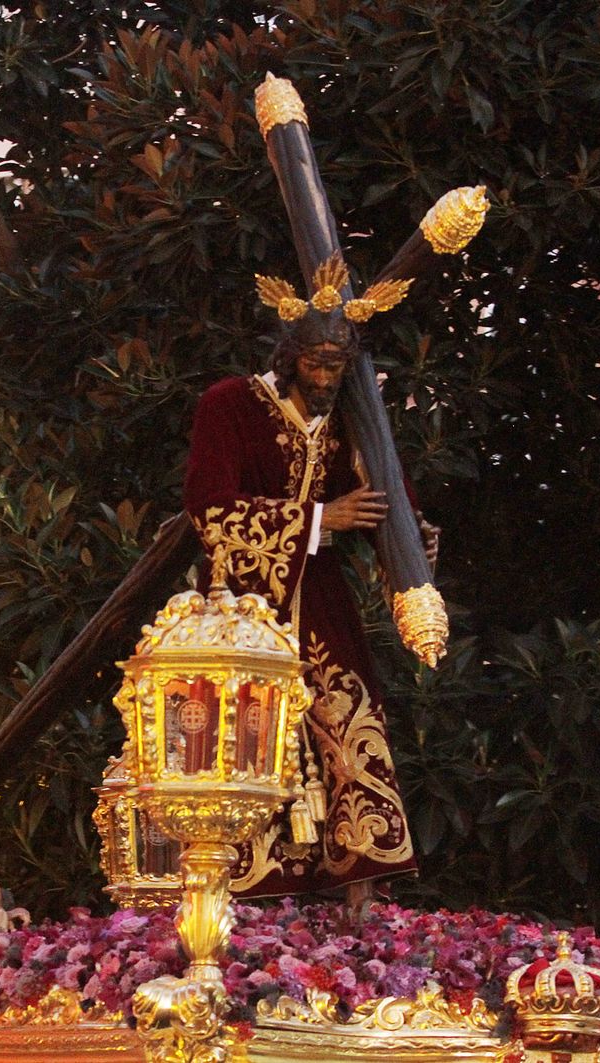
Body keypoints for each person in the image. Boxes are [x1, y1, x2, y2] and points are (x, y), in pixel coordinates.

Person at [183, 317, 436, 907]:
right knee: (243, 739)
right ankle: (236, 896)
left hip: (321, 602)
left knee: (349, 725)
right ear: (289, 355)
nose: (325, 378)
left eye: (337, 366)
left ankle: (359, 891)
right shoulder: (230, 404)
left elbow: (384, 499)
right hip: (240, 608)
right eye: (315, 363)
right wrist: (321, 519)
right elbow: (209, 508)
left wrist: (410, 539)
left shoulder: (352, 420)